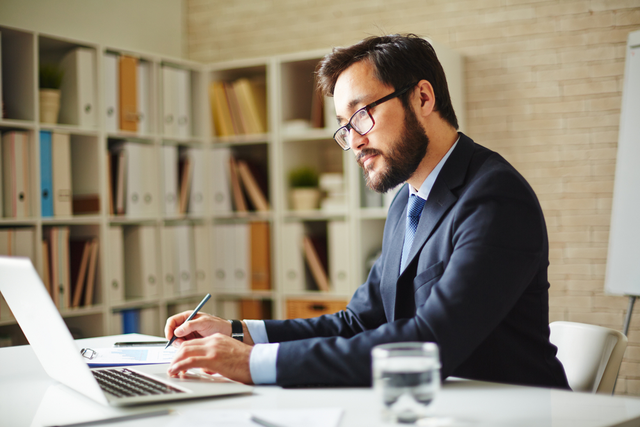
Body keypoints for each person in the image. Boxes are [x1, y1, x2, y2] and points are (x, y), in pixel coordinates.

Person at [165, 34, 570, 390]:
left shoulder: (494, 197)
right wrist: (238, 334)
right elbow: (359, 322)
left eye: (361, 116)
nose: (354, 141)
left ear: (423, 98)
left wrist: (252, 364)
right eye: (345, 126)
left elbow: (431, 343)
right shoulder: (406, 203)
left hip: (512, 412)